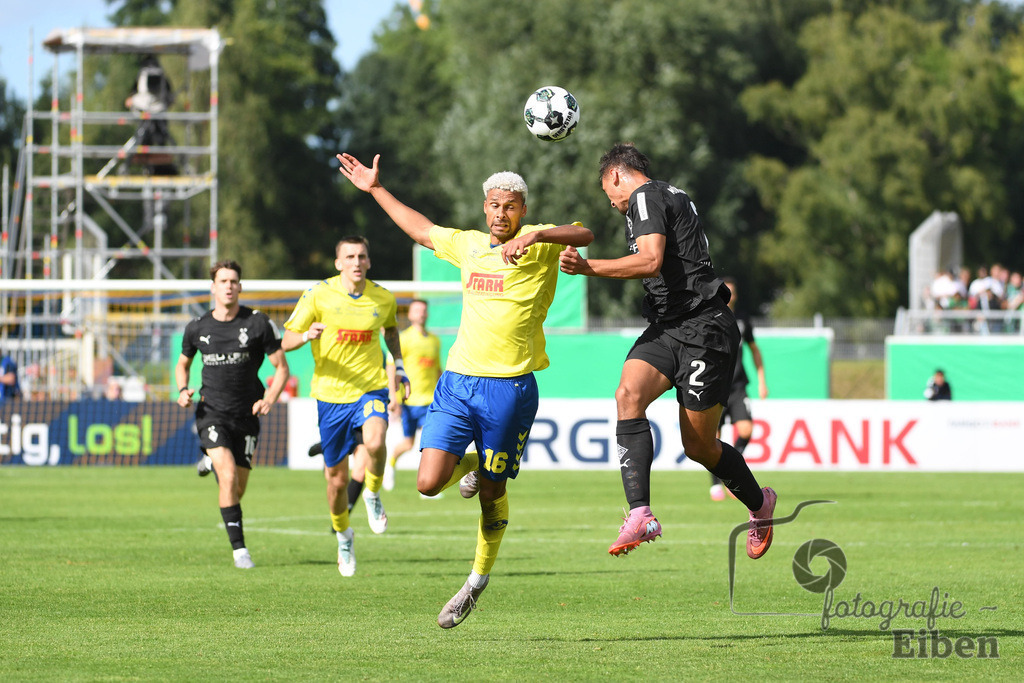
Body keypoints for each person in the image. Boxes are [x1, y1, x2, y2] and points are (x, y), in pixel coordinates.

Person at [337, 151, 593, 628]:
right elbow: (420, 229)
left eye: (511, 206)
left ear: (523, 209)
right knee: (427, 483)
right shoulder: (469, 245)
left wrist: (538, 235)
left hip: (510, 388)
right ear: (484, 208)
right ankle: (475, 465)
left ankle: (475, 581)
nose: (501, 213)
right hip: (457, 383)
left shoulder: (539, 243)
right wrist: (375, 189)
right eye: (494, 205)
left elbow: (585, 234)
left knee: (492, 492)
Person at [558, 143, 777, 561]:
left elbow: (650, 261)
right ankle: (640, 513)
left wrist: (589, 267)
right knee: (628, 395)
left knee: (700, 447)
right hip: (669, 326)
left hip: (704, 329)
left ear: (616, 175)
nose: (610, 202)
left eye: (607, 191)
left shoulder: (644, 196)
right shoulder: (667, 194)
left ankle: (759, 503)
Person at [280, 236, 409, 578]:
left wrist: (398, 366)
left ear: (369, 262)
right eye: (349, 256)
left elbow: (391, 330)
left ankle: (373, 493)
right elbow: (286, 339)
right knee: (336, 482)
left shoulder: (383, 298)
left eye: (362, 256)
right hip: (331, 397)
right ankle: (343, 536)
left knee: (376, 441)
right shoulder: (317, 295)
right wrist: (306, 335)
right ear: (338, 263)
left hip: (370, 389)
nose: (356, 262)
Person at [175, 260, 290, 569]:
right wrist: (182, 390)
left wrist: (269, 398)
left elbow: (281, 368)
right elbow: (182, 364)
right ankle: (240, 551)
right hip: (211, 413)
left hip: (247, 416)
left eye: (233, 281)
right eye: (223, 281)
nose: (228, 286)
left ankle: (209, 460)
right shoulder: (197, 327)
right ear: (213, 287)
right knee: (226, 476)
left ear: (240, 287)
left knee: (237, 488)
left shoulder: (258, 323)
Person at [709, 277, 768, 501]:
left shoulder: (742, 320)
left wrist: (762, 381)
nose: (730, 295)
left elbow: (754, 350)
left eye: (732, 292)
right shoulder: (710, 316)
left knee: (746, 430)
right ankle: (716, 484)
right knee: (712, 438)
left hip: (738, 386)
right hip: (715, 385)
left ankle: (731, 472)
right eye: (727, 291)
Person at [383, 298, 443, 494]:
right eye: (417, 310)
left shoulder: (434, 340)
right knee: (408, 444)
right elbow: (391, 367)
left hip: (430, 402)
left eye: (424, 310)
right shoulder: (403, 339)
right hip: (408, 401)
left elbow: (438, 369)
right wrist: (393, 396)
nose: (421, 313)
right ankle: (390, 464)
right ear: (409, 315)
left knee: (431, 443)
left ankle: (429, 486)